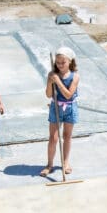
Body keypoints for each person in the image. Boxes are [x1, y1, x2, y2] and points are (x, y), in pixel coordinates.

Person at [40, 46, 80, 177]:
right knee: (53, 138)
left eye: (63, 62)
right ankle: (49, 164)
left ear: (70, 61)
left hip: (70, 107)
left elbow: (68, 95)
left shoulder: (75, 76)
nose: (60, 65)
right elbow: (48, 94)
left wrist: (58, 81)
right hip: (55, 107)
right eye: (58, 62)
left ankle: (66, 163)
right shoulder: (53, 75)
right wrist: (50, 81)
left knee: (67, 136)